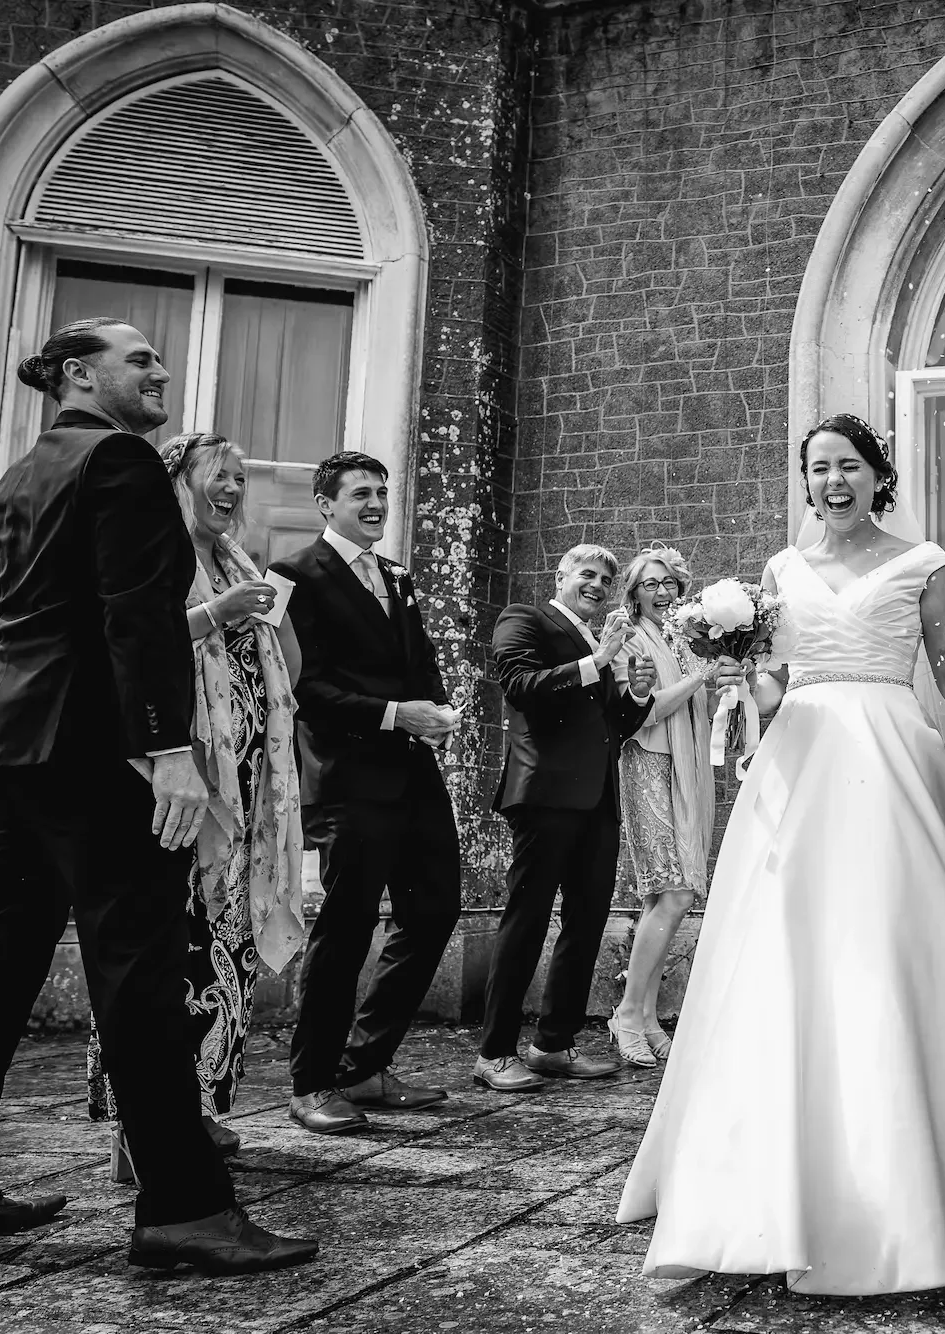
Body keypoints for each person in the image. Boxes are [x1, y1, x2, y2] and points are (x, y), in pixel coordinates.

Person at [616, 414, 945, 1295]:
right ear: (807, 481)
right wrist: (742, 673)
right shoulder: (780, 572)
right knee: (784, 949)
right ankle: (765, 1169)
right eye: (819, 468)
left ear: (877, 476)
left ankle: (924, 1157)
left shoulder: (924, 564)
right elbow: (777, 681)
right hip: (799, 763)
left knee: (901, 939)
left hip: (893, 755)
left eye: (850, 466)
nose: (834, 481)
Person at [0, 318, 314, 1273]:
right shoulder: (120, 461)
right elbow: (136, 615)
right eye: (139, 358)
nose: (161, 370)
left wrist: (2, 732)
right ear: (78, 373)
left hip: (17, 750)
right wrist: (167, 747)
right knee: (141, 975)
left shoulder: (19, 475)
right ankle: (185, 1208)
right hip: (101, 756)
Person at [87, 433, 309, 1178]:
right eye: (219, 475)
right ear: (177, 481)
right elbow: (129, 643)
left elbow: (286, 670)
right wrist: (219, 611)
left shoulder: (240, 561)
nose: (233, 490)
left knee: (226, 951)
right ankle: (138, 1132)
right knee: (167, 949)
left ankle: (202, 1110)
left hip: (245, 789)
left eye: (241, 479)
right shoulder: (158, 555)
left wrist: (272, 617)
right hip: (179, 783)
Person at [274, 452, 462, 1133]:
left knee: (435, 910)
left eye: (382, 491)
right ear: (326, 504)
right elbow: (301, 686)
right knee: (346, 927)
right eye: (361, 493)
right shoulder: (292, 575)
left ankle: (365, 1065)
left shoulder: (397, 577)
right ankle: (312, 1083)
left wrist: (436, 712)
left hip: (413, 772)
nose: (377, 502)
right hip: (348, 779)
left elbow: (421, 665)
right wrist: (392, 715)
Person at [473, 544, 654, 1092]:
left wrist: (637, 695)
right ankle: (494, 1053)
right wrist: (598, 662)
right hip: (545, 795)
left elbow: (609, 727)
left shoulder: (597, 641)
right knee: (526, 921)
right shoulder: (525, 619)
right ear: (561, 576)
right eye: (587, 574)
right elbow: (520, 686)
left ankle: (553, 1043)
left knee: (586, 922)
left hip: (597, 800)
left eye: (605, 579)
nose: (596, 585)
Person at [608, 545, 716, 1067]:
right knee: (673, 892)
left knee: (666, 898)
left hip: (685, 765)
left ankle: (646, 1017)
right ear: (634, 594)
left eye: (669, 582)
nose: (662, 591)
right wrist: (701, 676)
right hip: (648, 764)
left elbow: (701, 706)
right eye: (650, 583)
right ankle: (628, 1013)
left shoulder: (685, 640)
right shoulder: (628, 638)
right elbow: (646, 713)